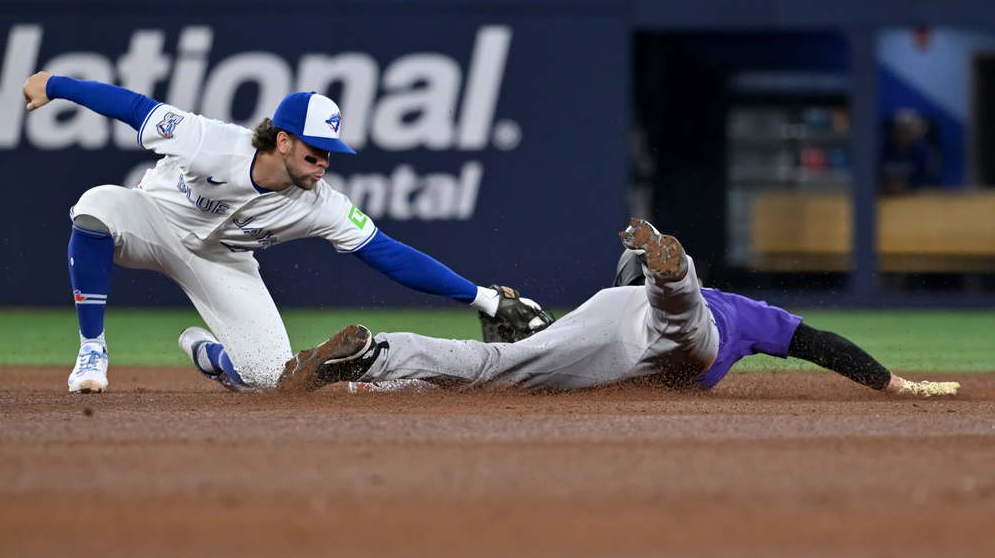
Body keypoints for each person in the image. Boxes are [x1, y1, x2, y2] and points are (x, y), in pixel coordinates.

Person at [22, 72, 545, 393]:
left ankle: (208, 354)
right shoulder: (209, 142)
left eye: (331, 156)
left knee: (273, 380)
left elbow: (389, 254)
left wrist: (487, 301)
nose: (324, 165)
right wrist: (56, 85)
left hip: (221, 264)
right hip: (151, 223)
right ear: (284, 140)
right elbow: (132, 107)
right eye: (315, 153)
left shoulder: (321, 204)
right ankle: (93, 347)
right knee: (94, 206)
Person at [278, 219, 959, 398]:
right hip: (679, 325)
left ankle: (377, 351)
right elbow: (819, 342)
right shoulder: (746, 312)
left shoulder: (606, 296)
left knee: (498, 364)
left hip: (607, 324)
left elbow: (820, 343)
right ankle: (676, 271)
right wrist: (892, 383)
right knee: (685, 332)